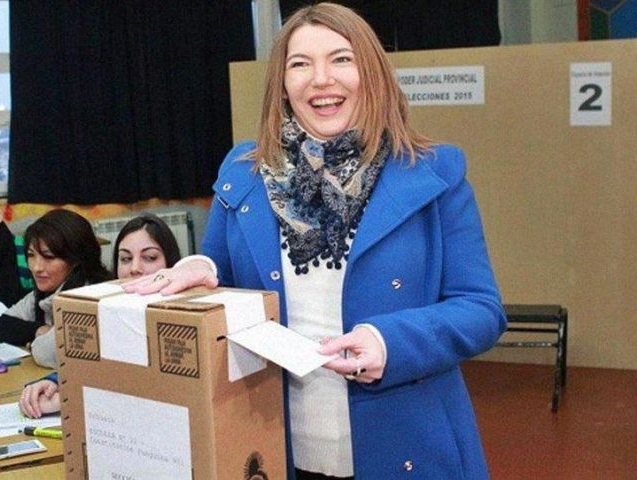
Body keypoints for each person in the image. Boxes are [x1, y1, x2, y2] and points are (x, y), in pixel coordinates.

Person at [123, 3, 506, 479]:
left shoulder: (433, 173)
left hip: (405, 446)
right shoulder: (245, 173)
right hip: (275, 447)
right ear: (282, 84)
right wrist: (200, 268)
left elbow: (481, 308)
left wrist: (390, 341)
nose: (321, 79)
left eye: (341, 59)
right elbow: (218, 265)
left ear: (371, 72)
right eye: (300, 64)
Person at [18, 213, 182, 418]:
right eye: (125, 258)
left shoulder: (180, 318)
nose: (134, 268)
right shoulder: (115, 310)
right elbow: (98, 366)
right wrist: (55, 382)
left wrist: (71, 396)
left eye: (149, 257)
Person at [0, 209, 112, 368]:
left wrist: (36, 342)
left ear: (75, 258)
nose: (36, 267)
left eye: (48, 257)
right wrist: (40, 330)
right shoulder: (45, 292)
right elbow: (3, 325)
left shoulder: (88, 296)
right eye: (31, 255)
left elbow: (45, 353)